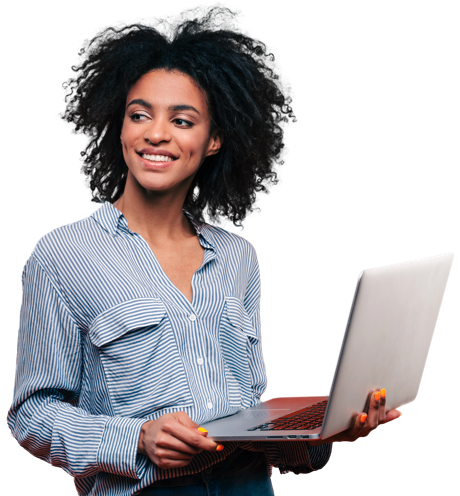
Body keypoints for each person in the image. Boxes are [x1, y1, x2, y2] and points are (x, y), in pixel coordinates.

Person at [7, 5, 401, 496]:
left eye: (182, 120)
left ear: (214, 139)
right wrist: (136, 438)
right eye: (139, 115)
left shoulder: (239, 259)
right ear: (119, 127)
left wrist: (326, 429)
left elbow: (247, 415)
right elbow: (32, 415)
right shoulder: (62, 256)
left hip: (249, 486)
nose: (156, 133)